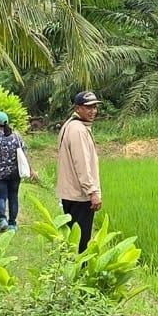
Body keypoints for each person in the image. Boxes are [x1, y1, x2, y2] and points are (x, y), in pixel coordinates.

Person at [55, 90, 102, 252]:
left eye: (95, 107)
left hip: (69, 193)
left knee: (72, 237)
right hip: (80, 196)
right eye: (88, 107)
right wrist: (92, 192)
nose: (93, 111)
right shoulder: (79, 130)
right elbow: (82, 164)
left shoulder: (70, 125)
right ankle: (81, 273)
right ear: (78, 108)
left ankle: (71, 270)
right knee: (82, 241)